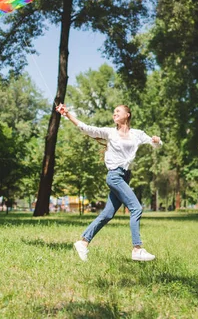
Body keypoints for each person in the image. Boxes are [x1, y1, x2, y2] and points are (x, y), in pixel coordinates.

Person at [56, 103, 162, 262]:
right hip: (115, 176)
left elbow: (155, 144)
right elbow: (86, 128)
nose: (114, 114)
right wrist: (67, 114)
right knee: (136, 208)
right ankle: (137, 249)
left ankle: (83, 242)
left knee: (107, 214)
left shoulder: (137, 134)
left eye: (118, 111)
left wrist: (157, 140)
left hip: (126, 176)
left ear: (127, 114)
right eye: (113, 112)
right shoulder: (110, 132)